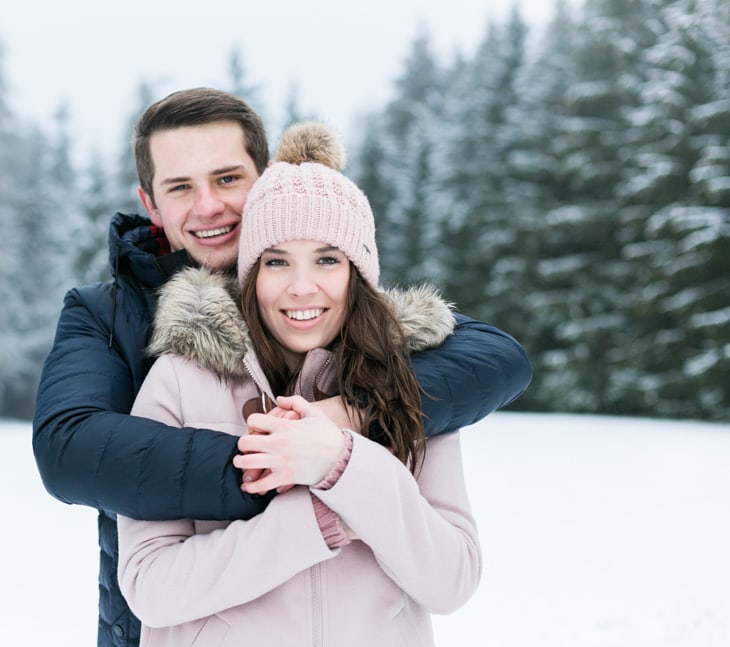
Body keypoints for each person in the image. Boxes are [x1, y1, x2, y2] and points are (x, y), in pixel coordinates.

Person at [32, 88, 531, 647]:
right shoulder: (124, 328)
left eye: (226, 179)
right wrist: (280, 462)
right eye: (180, 187)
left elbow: (499, 358)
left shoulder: (379, 347)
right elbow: (69, 448)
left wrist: (355, 418)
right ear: (151, 203)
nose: (208, 206)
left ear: (265, 176)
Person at [117, 122, 482, 646]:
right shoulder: (180, 381)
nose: (301, 287)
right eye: (277, 261)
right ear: (250, 274)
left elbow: (452, 580)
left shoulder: (405, 382)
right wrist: (319, 519)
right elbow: (151, 586)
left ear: (359, 274)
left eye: (328, 259)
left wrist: (344, 465)